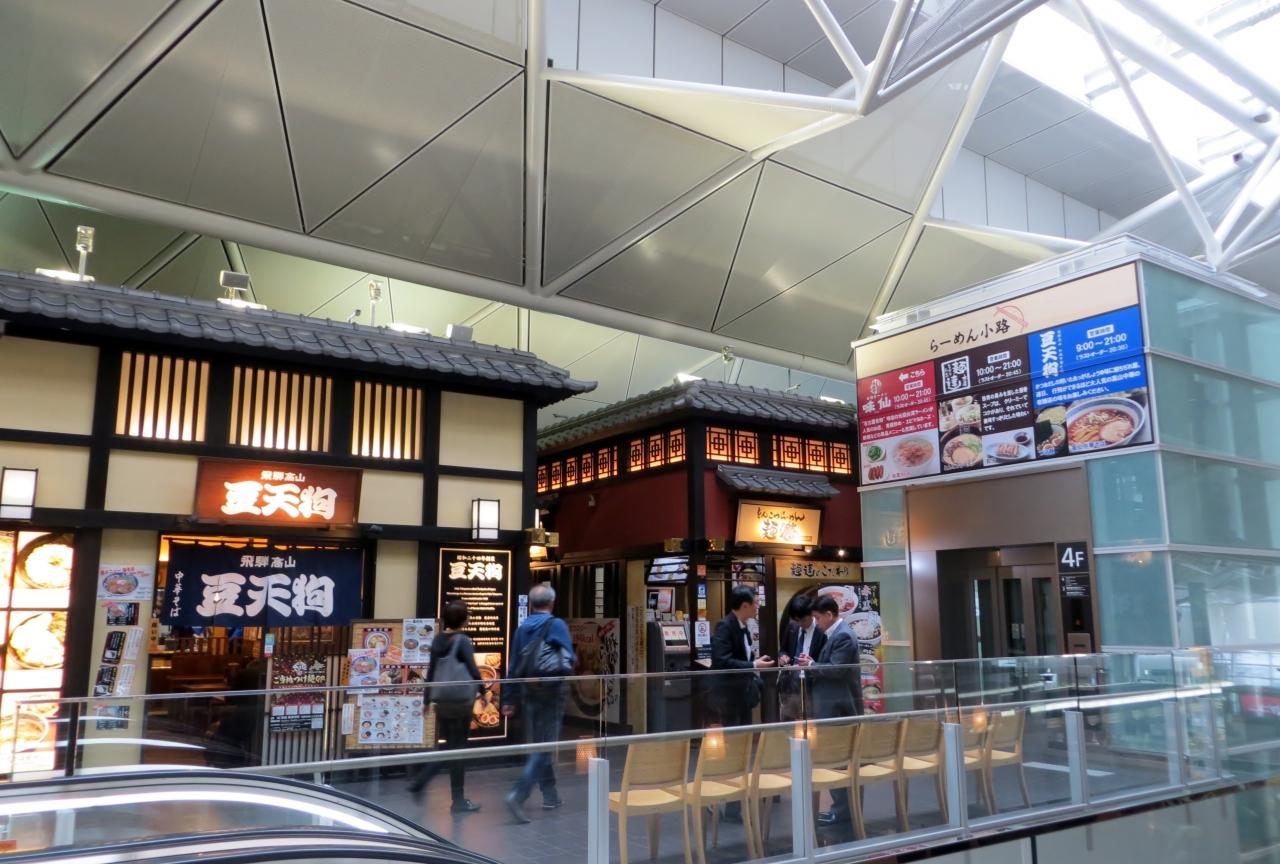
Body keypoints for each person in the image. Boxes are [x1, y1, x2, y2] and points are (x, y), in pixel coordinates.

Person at [502, 583, 575, 823]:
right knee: (545, 747)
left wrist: (509, 698)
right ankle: (518, 794)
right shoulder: (557, 625)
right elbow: (569, 658)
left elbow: (514, 666)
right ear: (552, 603)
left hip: (529, 692)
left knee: (540, 743)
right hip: (552, 692)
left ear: (531, 604)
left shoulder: (522, 628)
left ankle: (550, 794)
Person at [407, 599, 482, 813]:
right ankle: (456, 799)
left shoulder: (438, 640)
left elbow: (431, 672)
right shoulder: (463, 641)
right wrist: (485, 692)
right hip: (460, 702)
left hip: (442, 701)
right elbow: (473, 670)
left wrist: (427, 700)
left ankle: (423, 782)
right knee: (457, 750)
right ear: (464, 620)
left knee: (448, 747)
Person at [711, 584, 775, 822]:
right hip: (730, 698)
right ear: (745, 605)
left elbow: (741, 657)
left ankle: (734, 801)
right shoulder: (725, 626)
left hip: (742, 696)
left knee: (741, 748)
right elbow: (721, 661)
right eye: (755, 603)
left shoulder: (743, 626)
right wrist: (753, 665)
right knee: (733, 749)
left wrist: (754, 662)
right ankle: (725, 801)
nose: (757, 607)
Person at [799, 594, 864, 826]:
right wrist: (813, 663)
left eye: (817, 618)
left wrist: (812, 665)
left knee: (841, 760)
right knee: (838, 760)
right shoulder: (836, 634)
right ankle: (843, 809)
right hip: (835, 706)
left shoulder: (843, 635)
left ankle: (844, 811)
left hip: (840, 707)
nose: (816, 623)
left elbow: (836, 670)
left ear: (829, 614)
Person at [778, 595, 826, 721]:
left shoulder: (821, 631)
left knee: (811, 723)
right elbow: (783, 649)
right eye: (797, 620)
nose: (800, 624)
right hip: (791, 686)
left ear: (812, 614)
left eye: (803, 620)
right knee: (789, 721)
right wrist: (782, 657)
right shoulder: (792, 626)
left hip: (812, 686)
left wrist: (811, 663)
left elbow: (824, 662)